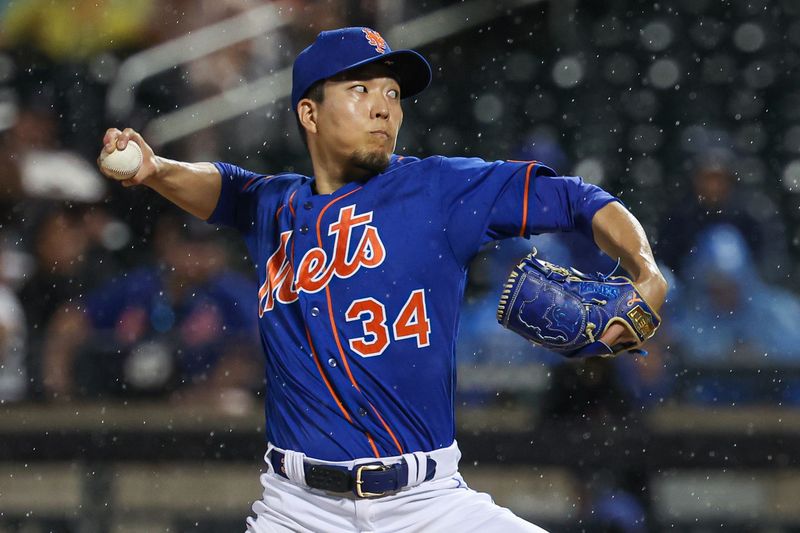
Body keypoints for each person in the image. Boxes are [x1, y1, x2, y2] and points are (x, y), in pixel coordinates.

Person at [96, 27, 667, 533]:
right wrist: (156, 170)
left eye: (392, 93)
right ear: (309, 114)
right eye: (360, 90)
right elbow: (219, 186)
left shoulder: (440, 191)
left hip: (429, 505)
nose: (384, 108)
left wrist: (645, 269)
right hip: (297, 511)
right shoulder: (273, 206)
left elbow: (578, 199)